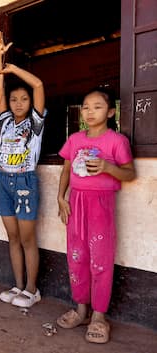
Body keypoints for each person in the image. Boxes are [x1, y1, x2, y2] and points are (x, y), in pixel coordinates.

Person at [56, 87, 135, 344]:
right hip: (76, 203)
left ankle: (99, 316)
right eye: (86, 106)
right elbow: (67, 169)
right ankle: (81, 310)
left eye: (97, 106)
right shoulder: (76, 139)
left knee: (100, 261)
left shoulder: (116, 141)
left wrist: (107, 167)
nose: (90, 112)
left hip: (101, 205)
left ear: (111, 112)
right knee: (76, 257)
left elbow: (129, 173)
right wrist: (61, 197)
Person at [0, 31, 45, 308]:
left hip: (25, 181)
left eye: (23, 99)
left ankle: (32, 290)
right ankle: (18, 285)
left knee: (27, 238)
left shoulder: (35, 122)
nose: (19, 103)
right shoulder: (6, 122)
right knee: (12, 237)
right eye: (15, 100)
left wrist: (14, 69)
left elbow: (37, 85)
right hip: (3, 180)